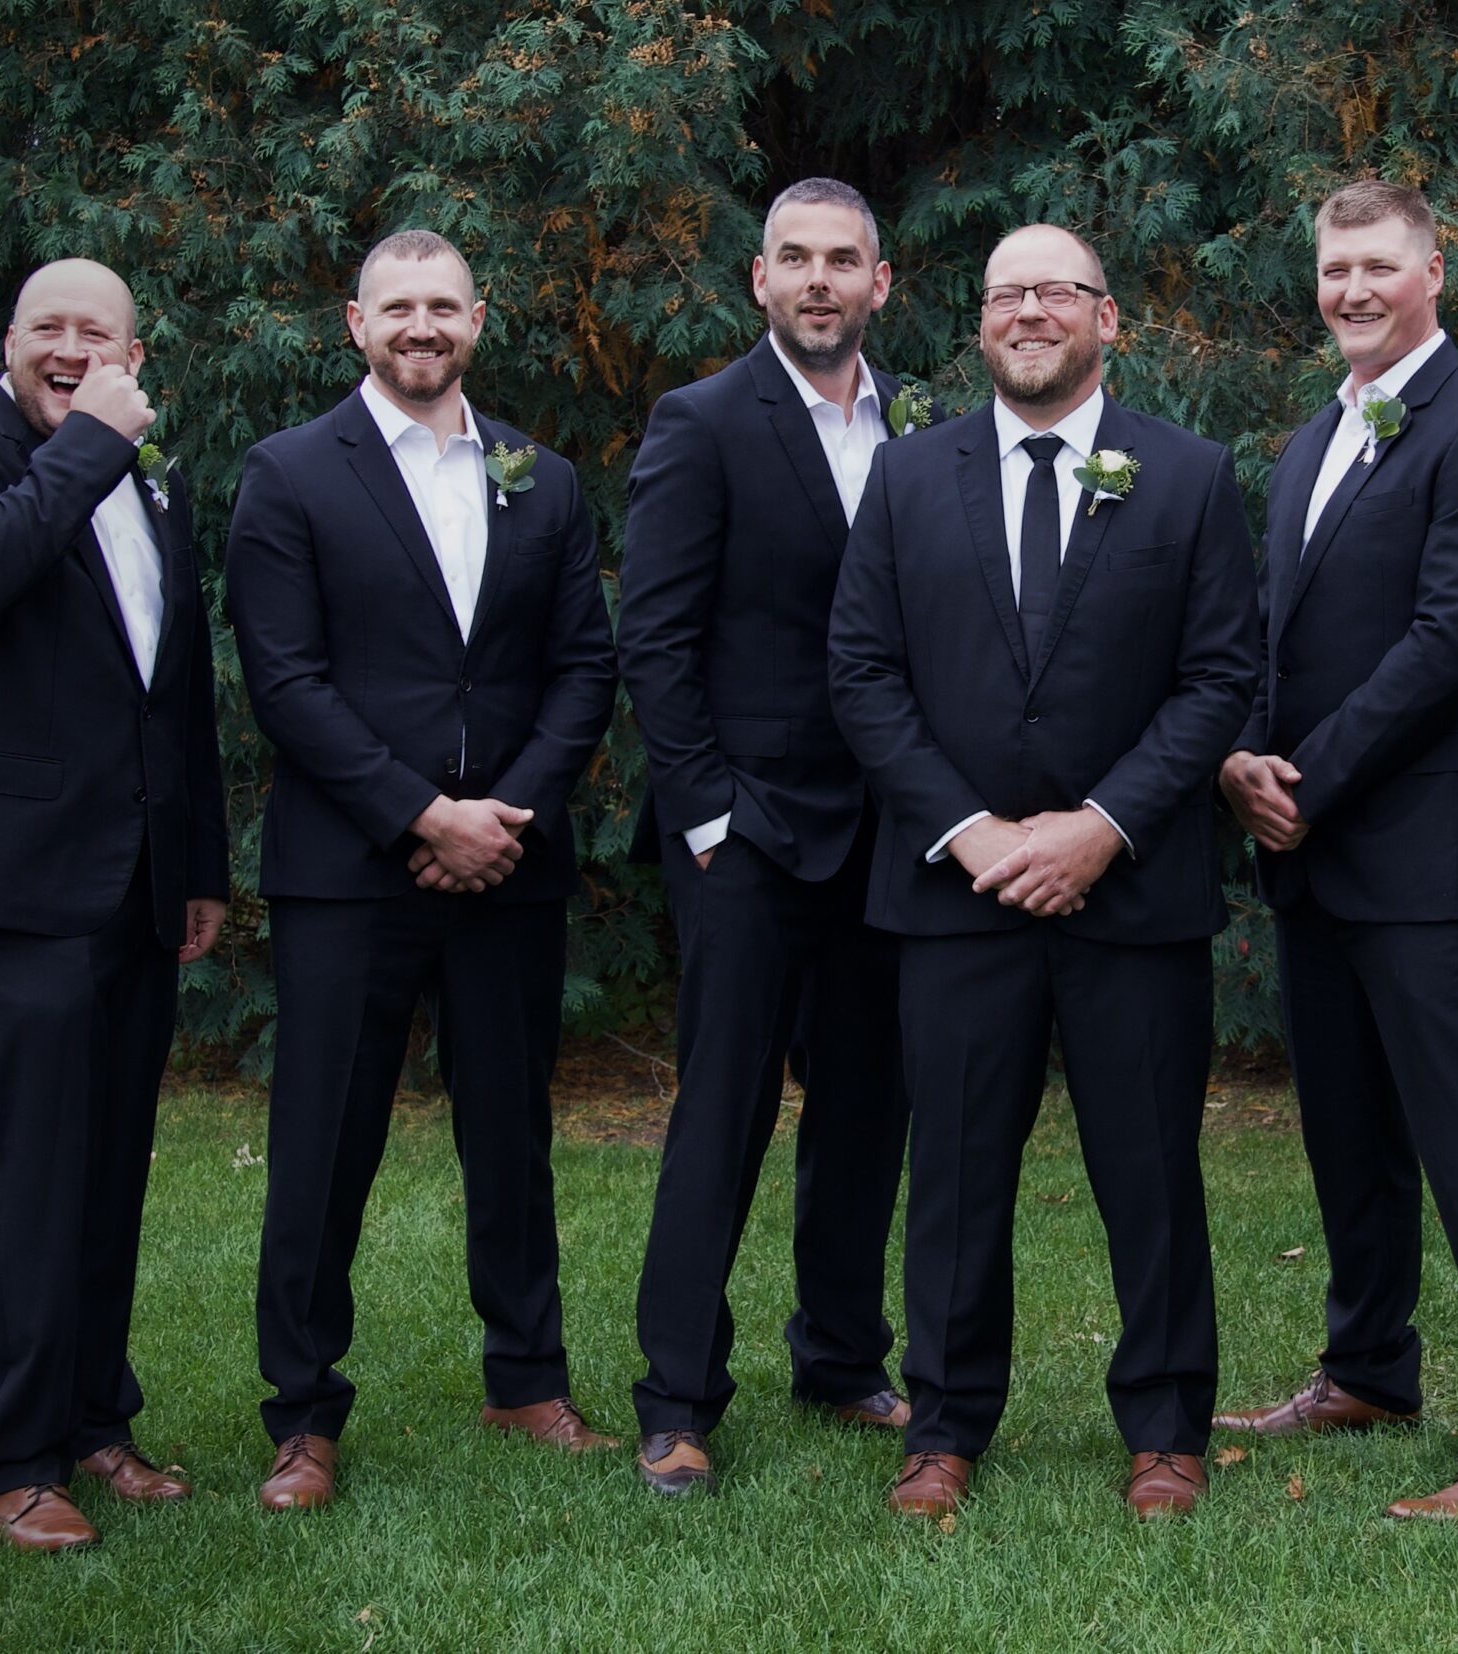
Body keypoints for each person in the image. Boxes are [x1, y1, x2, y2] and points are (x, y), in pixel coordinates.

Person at [826, 223, 1259, 1519]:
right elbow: (862, 673)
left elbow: (1219, 676)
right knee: (956, 1173)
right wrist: (970, 830)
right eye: (1005, 293)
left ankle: (1167, 1428)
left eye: (1056, 292)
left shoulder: (1188, 476)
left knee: (1151, 1170)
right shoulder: (907, 477)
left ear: (1106, 319)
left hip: (1132, 890)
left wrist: (1101, 825)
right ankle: (945, 1425)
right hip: (956, 894)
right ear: (979, 323)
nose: (1028, 311)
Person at [1212, 181, 1458, 1519]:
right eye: (1335, 269)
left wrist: (1305, 782)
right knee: (1349, 1136)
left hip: (1431, 853)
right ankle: (1368, 1367)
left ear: (1435, 272)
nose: (1354, 289)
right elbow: (1268, 630)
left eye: (1379, 265)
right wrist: (1242, 757)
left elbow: (1453, 642)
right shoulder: (1316, 436)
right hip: (1312, 852)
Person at [225, 229, 620, 1511]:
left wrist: (504, 816)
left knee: (511, 1134)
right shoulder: (289, 472)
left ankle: (529, 1379)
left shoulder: (541, 478)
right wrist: (417, 816)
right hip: (351, 869)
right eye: (397, 306)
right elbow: (285, 679)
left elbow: (583, 666)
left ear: (478, 319)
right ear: (356, 323)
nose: (421, 326)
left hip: (508, 862)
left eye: (443, 305)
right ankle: (303, 1413)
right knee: (322, 1142)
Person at [0, 256, 230, 1550]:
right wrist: (90, 444)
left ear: (136, 353)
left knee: (110, 1160)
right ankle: (16, 1457)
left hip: (134, 874)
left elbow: (175, 687)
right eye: (50, 328)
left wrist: (197, 863)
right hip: (9, 874)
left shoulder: (153, 481)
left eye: (99, 333)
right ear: (10, 341)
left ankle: (94, 1421)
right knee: (39, 1167)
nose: (72, 348)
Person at [613, 178, 914, 1496]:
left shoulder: (914, 427)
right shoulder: (703, 422)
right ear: (760, 279)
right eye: (794, 258)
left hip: (884, 830)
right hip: (747, 831)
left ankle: (841, 1356)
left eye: (841, 259)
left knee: (865, 1102)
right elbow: (655, 637)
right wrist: (707, 816)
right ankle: (677, 1396)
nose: (818, 280)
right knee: (723, 1108)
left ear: (878, 283)